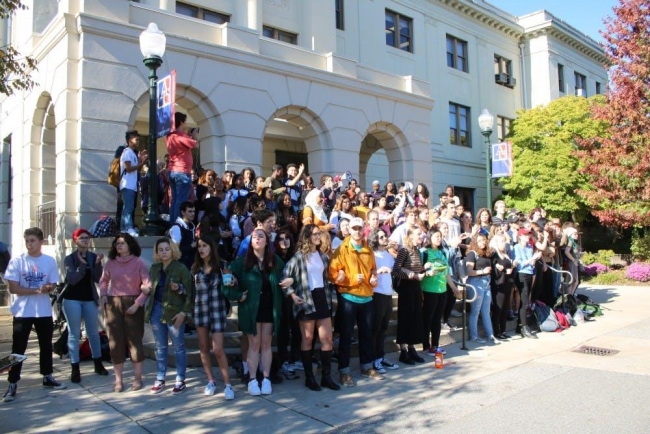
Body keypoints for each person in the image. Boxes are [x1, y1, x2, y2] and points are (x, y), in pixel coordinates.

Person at [3, 227, 65, 402]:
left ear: (41, 242)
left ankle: (47, 376)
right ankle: (12, 383)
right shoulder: (17, 261)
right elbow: (13, 287)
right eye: (27, 241)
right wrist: (36, 290)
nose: (29, 244)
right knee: (18, 348)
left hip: (43, 311)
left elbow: (53, 284)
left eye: (33, 241)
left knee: (46, 345)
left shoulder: (49, 261)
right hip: (23, 311)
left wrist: (48, 288)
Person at [226, 229, 285, 396]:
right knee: (254, 344)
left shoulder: (275, 261)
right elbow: (226, 281)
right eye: (254, 236)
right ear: (250, 242)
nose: (257, 239)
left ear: (267, 241)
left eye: (261, 236)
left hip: (269, 306)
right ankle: (252, 379)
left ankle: (266, 379)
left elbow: (288, 273)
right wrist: (237, 294)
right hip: (251, 307)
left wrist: (290, 281)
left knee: (266, 344)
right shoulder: (241, 263)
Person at [282, 225, 340, 391]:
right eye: (315, 234)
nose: (318, 236)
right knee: (307, 338)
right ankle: (309, 378)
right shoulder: (299, 257)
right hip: (306, 299)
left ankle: (326, 377)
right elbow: (285, 278)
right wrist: (292, 295)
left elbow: (328, 275)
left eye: (319, 234)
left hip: (322, 298)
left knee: (327, 339)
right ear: (307, 236)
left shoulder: (322, 255)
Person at [328, 217, 383, 387]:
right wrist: (351, 278)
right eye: (354, 228)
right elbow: (332, 274)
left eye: (360, 228)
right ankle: (344, 371)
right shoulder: (341, 249)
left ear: (363, 229)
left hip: (367, 297)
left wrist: (374, 277)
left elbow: (373, 269)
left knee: (366, 334)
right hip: (348, 298)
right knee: (345, 337)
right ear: (349, 230)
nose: (357, 231)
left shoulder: (368, 249)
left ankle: (367, 367)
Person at [99, 233, 150, 392]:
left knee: (134, 341)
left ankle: (137, 378)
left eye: (122, 243)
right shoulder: (111, 262)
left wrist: (137, 304)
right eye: (117, 243)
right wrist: (103, 295)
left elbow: (148, 286)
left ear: (130, 245)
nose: (119, 246)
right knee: (115, 342)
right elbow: (103, 280)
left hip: (132, 303)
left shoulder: (138, 262)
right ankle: (118, 380)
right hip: (114, 303)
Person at [144, 238, 194, 395]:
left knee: (178, 346)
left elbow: (189, 292)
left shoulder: (181, 269)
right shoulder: (154, 268)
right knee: (160, 346)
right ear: (157, 252)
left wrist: (183, 312)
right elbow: (150, 289)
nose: (164, 252)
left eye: (167, 249)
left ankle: (180, 379)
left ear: (173, 250)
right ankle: (160, 377)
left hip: (175, 311)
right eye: (161, 249)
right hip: (157, 309)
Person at [192, 235, 235, 400]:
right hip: (200, 310)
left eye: (204, 245)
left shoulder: (222, 265)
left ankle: (228, 384)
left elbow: (231, 283)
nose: (201, 249)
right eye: (199, 246)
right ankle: (210, 380)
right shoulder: (195, 268)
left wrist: (232, 280)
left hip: (217, 310)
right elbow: (191, 290)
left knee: (217, 348)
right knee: (203, 347)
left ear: (211, 247)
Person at [62, 228, 108, 384]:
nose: (85, 240)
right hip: (72, 298)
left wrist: (97, 264)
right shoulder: (70, 258)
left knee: (93, 333)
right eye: (82, 238)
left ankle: (98, 363)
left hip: (89, 298)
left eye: (87, 238)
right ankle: (75, 368)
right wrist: (82, 266)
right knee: (74, 333)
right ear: (76, 240)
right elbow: (72, 279)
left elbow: (97, 278)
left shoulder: (93, 256)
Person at [421, 228, 460, 356]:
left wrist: (453, 287)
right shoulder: (424, 252)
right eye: (436, 236)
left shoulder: (442, 253)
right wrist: (425, 270)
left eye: (440, 236)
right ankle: (426, 346)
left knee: (437, 319)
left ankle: (435, 345)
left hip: (442, 289)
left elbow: (447, 272)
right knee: (427, 319)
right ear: (430, 237)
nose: (439, 238)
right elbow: (419, 270)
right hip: (429, 290)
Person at [391, 226, 426, 365]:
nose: (421, 237)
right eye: (418, 234)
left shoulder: (416, 250)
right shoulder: (404, 250)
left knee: (415, 317)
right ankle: (403, 350)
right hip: (406, 288)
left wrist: (425, 269)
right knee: (405, 317)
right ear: (410, 236)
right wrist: (409, 275)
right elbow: (395, 270)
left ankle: (412, 348)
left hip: (416, 287)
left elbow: (417, 268)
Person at [367, 228, 400, 374]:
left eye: (385, 236)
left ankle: (380, 357)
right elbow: (367, 272)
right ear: (375, 239)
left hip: (387, 294)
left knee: (383, 328)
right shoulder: (372, 254)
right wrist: (378, 272)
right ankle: (374, 359)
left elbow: (395, 270)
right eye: (381, 237)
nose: (384, 238)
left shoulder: (388, 254)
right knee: (376, 328)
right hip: (377, 294)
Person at [273, 228, 301, 379]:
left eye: (287, 238)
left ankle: (295, 359)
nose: (284, 241)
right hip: (280, 299)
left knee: (297, 329)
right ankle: (284, 361)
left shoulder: (295, 257)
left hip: (295, 298)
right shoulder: (274, 258)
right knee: (283, 331)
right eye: (281, 239)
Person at [465, 233, 500, 345]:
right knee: (475, 311)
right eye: (480, 241)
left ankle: (490, 334)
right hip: (476, 282)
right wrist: (482, 271)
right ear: (475, 242)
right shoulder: (472, 253)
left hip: (486, 282)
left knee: (486, 311)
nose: (483, 242)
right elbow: (469, 271)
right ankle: (474, 336)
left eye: (484, 240)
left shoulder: (486, 253)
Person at [166, 112, 199, 223]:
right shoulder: (180, 135)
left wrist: (188, 136)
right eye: (185, 121)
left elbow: (183, 145)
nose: (185, 124)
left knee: (175, 200)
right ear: (181, 122)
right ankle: (177, 224)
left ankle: (173, 223)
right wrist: (194, 135)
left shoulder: (170, 136)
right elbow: (196, 145)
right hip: (182, 172)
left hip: (172, 171)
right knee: (181, 200)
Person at [513, 228, 541, 339]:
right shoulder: (516, 247)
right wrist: (532, 259)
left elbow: (531, 263)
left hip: (529, 273)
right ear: (520, 236)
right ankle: (524, 327)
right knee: (524, 301)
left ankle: (519, 326)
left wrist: (535, 259)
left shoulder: (529, 247)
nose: (527, 236)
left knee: (525, 301)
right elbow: (520, 264)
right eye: (524, 235)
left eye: (528, 234)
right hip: (521, 274)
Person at [120, 129, 148, 235]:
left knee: (127, 207)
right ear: (129, 140)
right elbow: (129, 168)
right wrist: (142, 163)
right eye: (136, 139)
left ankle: (124, 228)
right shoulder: (127, 152)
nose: (138, 141)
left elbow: (137, 170)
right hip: (127, 184)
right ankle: (128, 227)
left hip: (131, 185)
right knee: (129, 207)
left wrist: (141, 161)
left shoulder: (133, 154)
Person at [490, 233, 516, 340]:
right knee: (498, 308)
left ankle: (503, 330)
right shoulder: (494, 255)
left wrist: (513, 266)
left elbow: (509, 270)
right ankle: (497, 331)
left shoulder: (506, 255)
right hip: (499, 285)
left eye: (504, 241)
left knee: (505, 307)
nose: (503, 244)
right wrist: (504, 270)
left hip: (507, 283)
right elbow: (495, 271)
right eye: (501, 241)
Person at [168, 201, 197, 270]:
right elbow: (175, 250)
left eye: (193, 211)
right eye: (190, 211)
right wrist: (192, 246)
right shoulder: (177, 228)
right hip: (180, 265)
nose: (193, 214)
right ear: (183, 212)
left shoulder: (191, 226)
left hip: (189, 262)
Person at [564, 227, 581, 295]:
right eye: (575, 234)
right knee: (572, 281)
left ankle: (571, 295)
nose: (577, 235)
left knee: (576, 281)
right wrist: (573, 260)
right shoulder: (570, 241)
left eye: (577, 234)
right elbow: (566, 251)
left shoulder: (573, 242)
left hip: (575, 262)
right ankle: (569, 296)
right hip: (571, 263)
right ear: (570, 234)